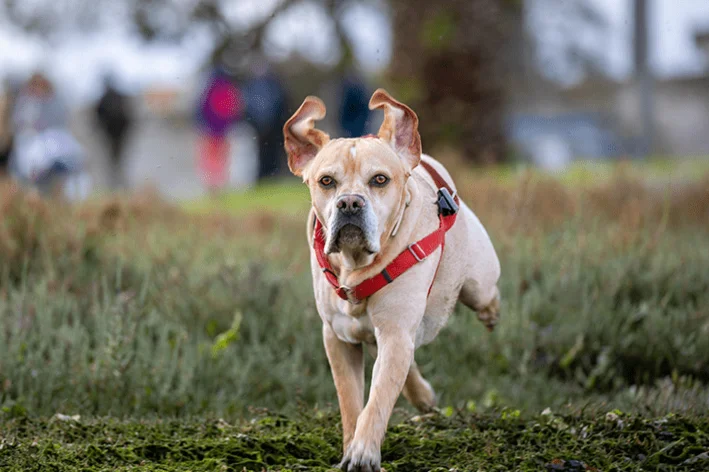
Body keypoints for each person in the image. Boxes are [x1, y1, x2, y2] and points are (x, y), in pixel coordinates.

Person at [9, 72, 90, 200]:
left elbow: (60, 124)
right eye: (35, 86)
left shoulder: (56, 103)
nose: (38, 90)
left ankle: (75, 198)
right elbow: (21, 126)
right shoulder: (25, 104)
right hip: (32, 146)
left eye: (41, 86)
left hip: (54, 144)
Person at [195, 66, 242, 193]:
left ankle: (212, 185)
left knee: (211, 159)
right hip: (224, 131)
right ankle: (219, 184)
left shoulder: (209, 90)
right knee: (222, 159)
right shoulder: (229, 89)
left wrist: (205, 126)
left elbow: (201, 110)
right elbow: (234, 110)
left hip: (210, 131)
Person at [242, 61, 289, 182]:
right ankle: (262, 177)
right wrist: (255, 122)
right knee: (259, 154)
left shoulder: (273, 84)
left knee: (273, 153)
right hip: (257, 127)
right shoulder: (251, 86)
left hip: (274, 127)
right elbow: (248, 106)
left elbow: (280, 103)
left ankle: (274, 175)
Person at [95, 73, 133, 189]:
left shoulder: (105, 98)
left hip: (113, 134)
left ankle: (116, 182)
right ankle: (117, 182)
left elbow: (98, 116)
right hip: (117, 134)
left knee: (113, 159)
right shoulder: (119, 97)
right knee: (117, 159)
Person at [338, 70, 370, 138]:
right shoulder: (361, 90)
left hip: (351, 126)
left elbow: (343, 109)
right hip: (359, 125)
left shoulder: (348, 90)